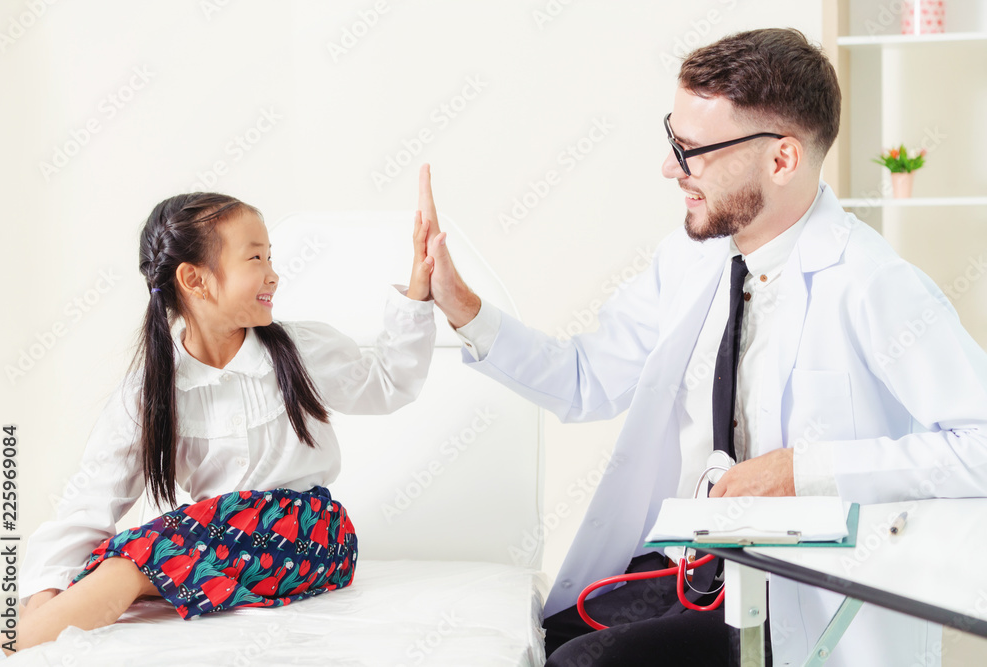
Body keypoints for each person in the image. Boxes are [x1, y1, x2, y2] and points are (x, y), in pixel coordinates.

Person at [415, 28, 987, 667]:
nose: (669, 168)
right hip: (692, 573)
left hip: (791, 603)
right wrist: (460, 305)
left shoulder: (874, 285)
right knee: (550, 642)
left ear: (781, 161)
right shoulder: (689, 261)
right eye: (673, 140)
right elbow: (585, 380)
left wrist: (803, 470)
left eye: (693, 151)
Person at [0, 181, 439, 660]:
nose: (273, 275)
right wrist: (42, 601)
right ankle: (25, 643)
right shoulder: (151, 388)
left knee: (127, 568)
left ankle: (6, 649)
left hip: (308, 532)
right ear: (195, 280)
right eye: (255, 259)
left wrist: (418, 288)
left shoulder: (300, 350)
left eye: (270, 258)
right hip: (220, 540)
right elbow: (91, 500)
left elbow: (389, 382)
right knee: (102, 565)